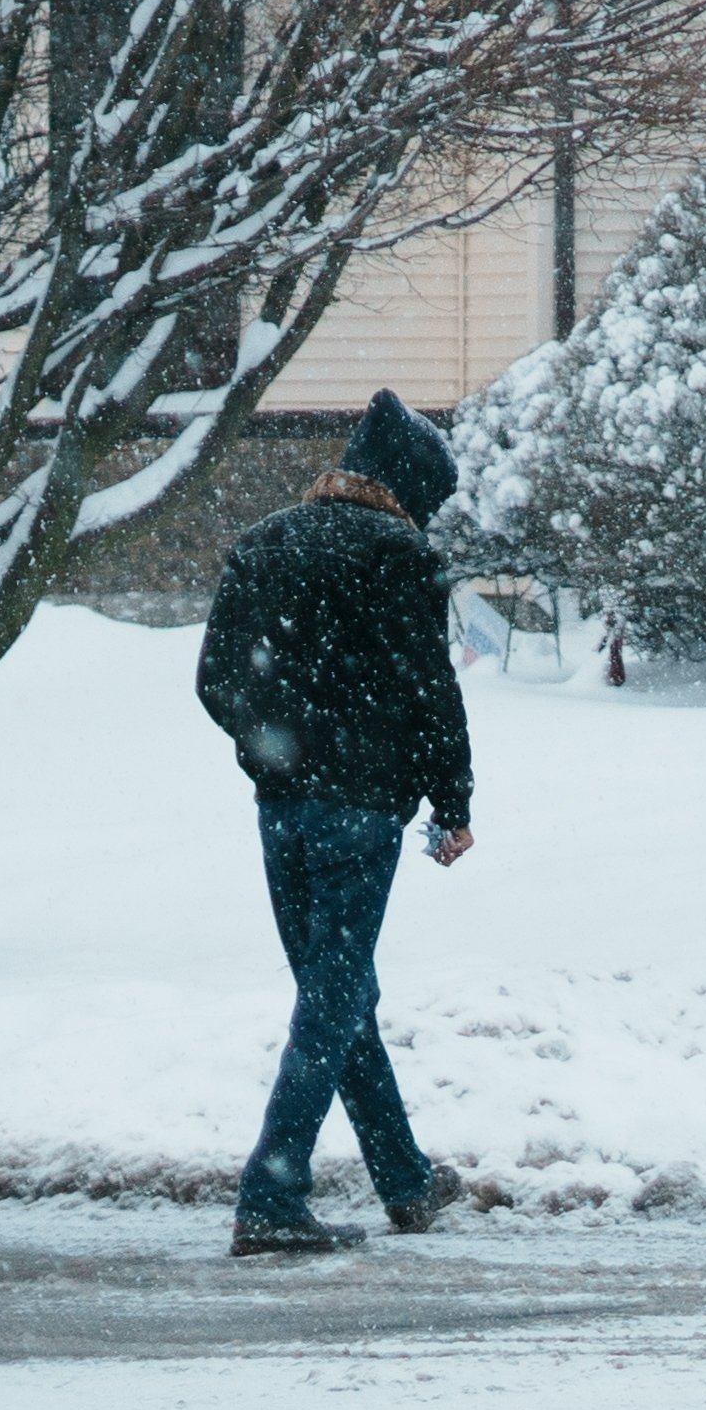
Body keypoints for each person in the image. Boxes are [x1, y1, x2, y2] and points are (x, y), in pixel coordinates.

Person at [192, 390, 478, 1258]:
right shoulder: (399, 555)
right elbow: (432, 693)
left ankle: (405, 1179)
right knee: (335, 993)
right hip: (362, 812)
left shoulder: (265, 541)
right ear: (403, 487)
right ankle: (271, 1196)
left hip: (281, 811)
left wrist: (274, 750)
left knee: (338, 989)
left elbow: (214, 679)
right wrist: (452, 801)